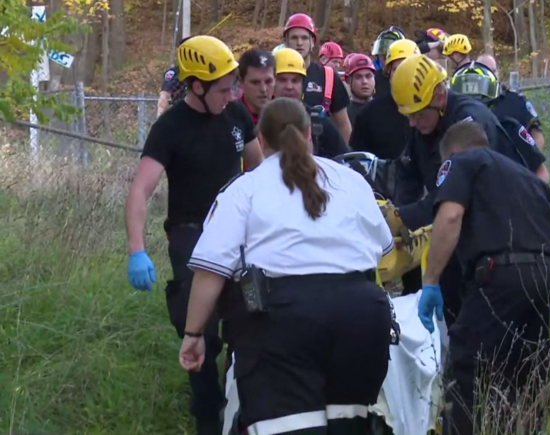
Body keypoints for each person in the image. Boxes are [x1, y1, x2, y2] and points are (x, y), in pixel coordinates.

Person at [178, 97, 394, 435]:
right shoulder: (350, 181)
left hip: (282, 323)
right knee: (349, 429)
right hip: (362, 316)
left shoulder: (245, 189)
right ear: (309, 134)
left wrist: (193, 334)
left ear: (260, 141)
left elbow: (211, 271)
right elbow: (382, 248)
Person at [418, 121, 550, 435]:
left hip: (499, 277)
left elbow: (450, 215)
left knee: (466, 373)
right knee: (524, 386)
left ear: (451, 154)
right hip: (544, 283)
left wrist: (431, 281)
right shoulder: (533, 182)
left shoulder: (463, 161)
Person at [125, 35, 264, 435]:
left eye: (233, 86)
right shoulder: (170, 128)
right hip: (191, 235)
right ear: (197, 86)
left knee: (253, 314)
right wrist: (137, 250)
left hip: (238, 233)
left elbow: (260, 173)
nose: (231, 94)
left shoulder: (237, 115)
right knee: (198, 324)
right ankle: (207, 414)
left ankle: (248, 404)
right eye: (222, 88)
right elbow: (140, 190)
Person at [387, 54, 547, 325]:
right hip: (463, 230)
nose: (413, 123)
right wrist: (400, 216)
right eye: (408, 117)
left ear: (439, 96)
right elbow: (409, 173)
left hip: (499, 231)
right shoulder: (423, 122)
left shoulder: (469, 124)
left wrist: (404, 217)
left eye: (418, 115)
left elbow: (450, 197)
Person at [283, 13, 353, 143]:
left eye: (304, 38)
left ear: (312, 42)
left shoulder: (328, 77)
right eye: (294, 38)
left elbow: (343, 124)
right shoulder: (274, 75)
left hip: (321, 156)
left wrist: (346, 158)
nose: (299, 43)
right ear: (286, 41)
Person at [273, 47, 349, 158]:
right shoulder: (260, 119)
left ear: (303, 83)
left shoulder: (318, 121)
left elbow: (343, 158)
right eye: (282, 80)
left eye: (295, 81)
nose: (289, 86)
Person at [475, 52, 545, 150]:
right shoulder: (469, 104)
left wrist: (532, 161)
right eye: (484, 72)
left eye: (492, 71)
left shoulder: (516, 100)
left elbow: (536, 133)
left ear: (498, 73)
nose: (489, 75)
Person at [157, 36, 193, 117]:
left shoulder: (204, 73)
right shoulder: (174, 73)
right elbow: (165, 95)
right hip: (181, 114)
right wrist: (159, 117)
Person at [370, 26, 406, 98]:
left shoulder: (412, 78)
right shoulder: (373, 79)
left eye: (388, 54)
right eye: (382, 53)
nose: (385, 57)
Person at [344, 53, 376, 126]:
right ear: (349, 81)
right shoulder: (343, 114)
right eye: (358, 77)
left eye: (368, 76)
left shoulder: (384, 110)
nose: (364, 81)